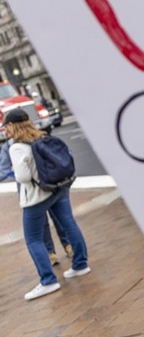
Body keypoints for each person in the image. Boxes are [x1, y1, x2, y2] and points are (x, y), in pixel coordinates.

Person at [5, 108, 90, 300]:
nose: (5, 129)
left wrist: (14, 170)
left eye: (5, 126)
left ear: (11, 125)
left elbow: (23, 177)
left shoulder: (17, 147)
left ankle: (48, 280)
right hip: (58, 189)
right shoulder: (41, 136)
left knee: (33, 239)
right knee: (69, 224)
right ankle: (81, 265)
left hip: (36, 197)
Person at [0, 138, 73, 266]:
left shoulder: (10, 146)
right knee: (59, 218)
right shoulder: (37, 136)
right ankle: (67, 247)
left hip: (31, 189)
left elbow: (5, 170)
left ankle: (51, 253)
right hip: (50, 183)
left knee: (41, 224)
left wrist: (16, 173)